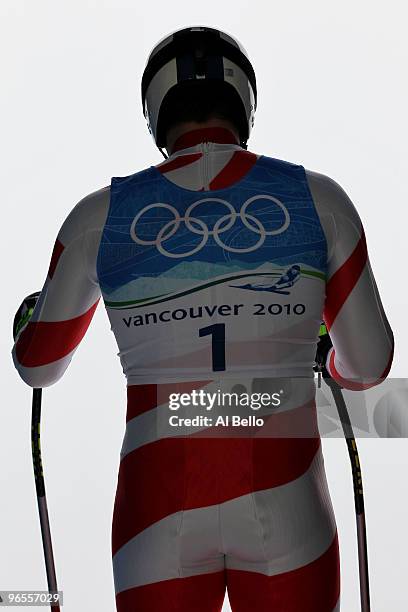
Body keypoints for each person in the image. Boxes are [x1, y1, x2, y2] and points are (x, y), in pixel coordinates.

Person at [12, 26, 394, 611]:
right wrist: (324, 355)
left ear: (156, 112)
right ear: (244, 100)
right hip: (288, 500)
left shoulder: (98, 216)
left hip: (156, 508)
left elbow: (38, 366)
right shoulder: (319, 198)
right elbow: (369, 365)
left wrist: (28, 323)